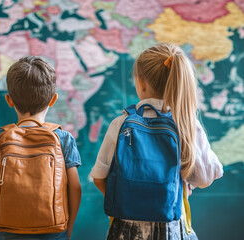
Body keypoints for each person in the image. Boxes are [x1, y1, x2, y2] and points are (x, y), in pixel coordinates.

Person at [90, 43, 223, 239]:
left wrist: (128, 202)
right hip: (171, 228)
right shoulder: (187, 124)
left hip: (126, 229)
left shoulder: (121, 123)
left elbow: (99, 176)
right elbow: (204, 178)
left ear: (141, 83)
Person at [0, 56, 82, 240]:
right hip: (54, 230)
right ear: (53, 99)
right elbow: (75, 188)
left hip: (8, 229)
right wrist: (70, 225)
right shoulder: (63, 138)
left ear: (9, 100)